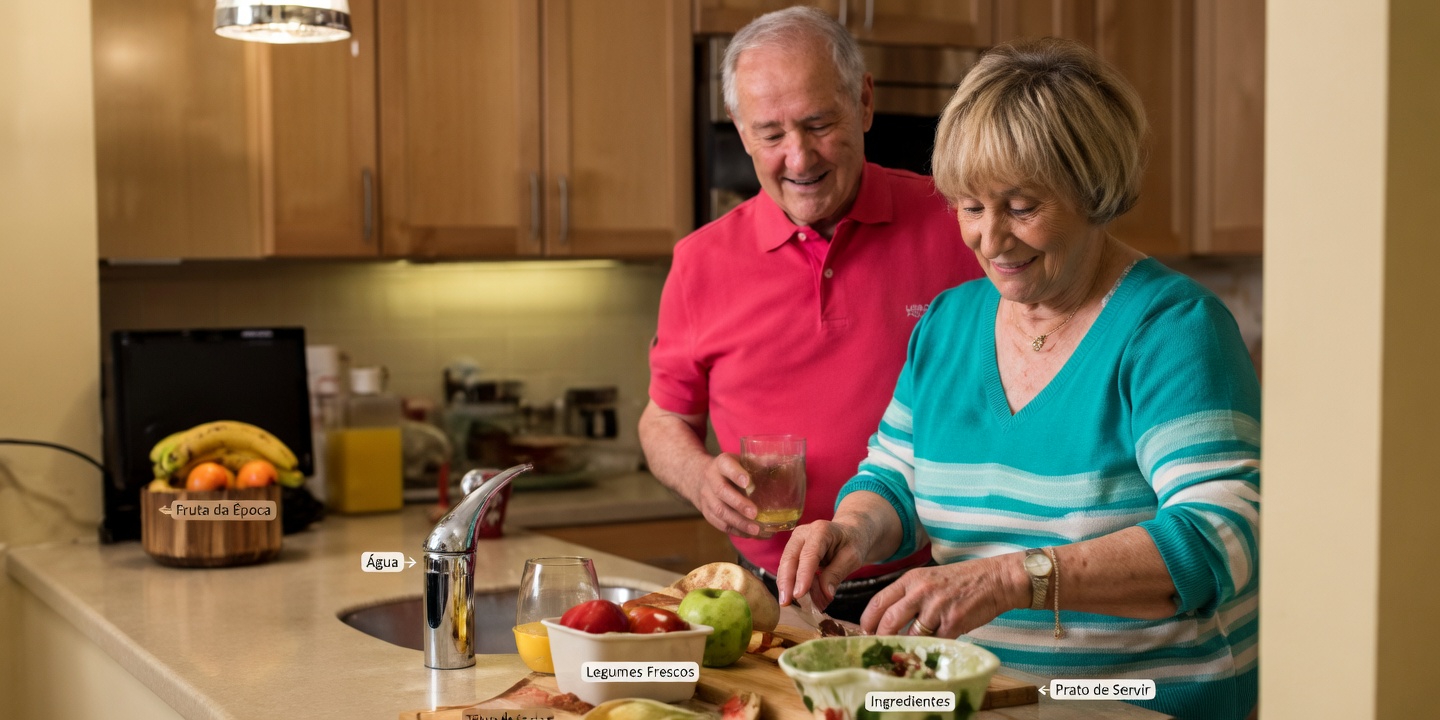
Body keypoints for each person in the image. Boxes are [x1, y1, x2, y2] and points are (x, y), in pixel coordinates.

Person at [775, 38, 1259, 720]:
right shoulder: (949, 322)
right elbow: (894, 479)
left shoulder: (1173, 329)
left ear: (1094, 191)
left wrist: (1016, 578)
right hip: (985, 699)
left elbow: (1219, 539)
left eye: (1023, 207)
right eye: (970, 207)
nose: (990, 239)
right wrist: (851, 532)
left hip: (1135, 703)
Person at [639, 6, 983, 622]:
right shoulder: (700, 261)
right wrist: (697, 478)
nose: (798, 159)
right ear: (741, 132)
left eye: (820, 124)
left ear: (865, 102)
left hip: (934, 587)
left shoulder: (960, 224)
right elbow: (664, 417)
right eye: (771, 134)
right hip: (770, 598)